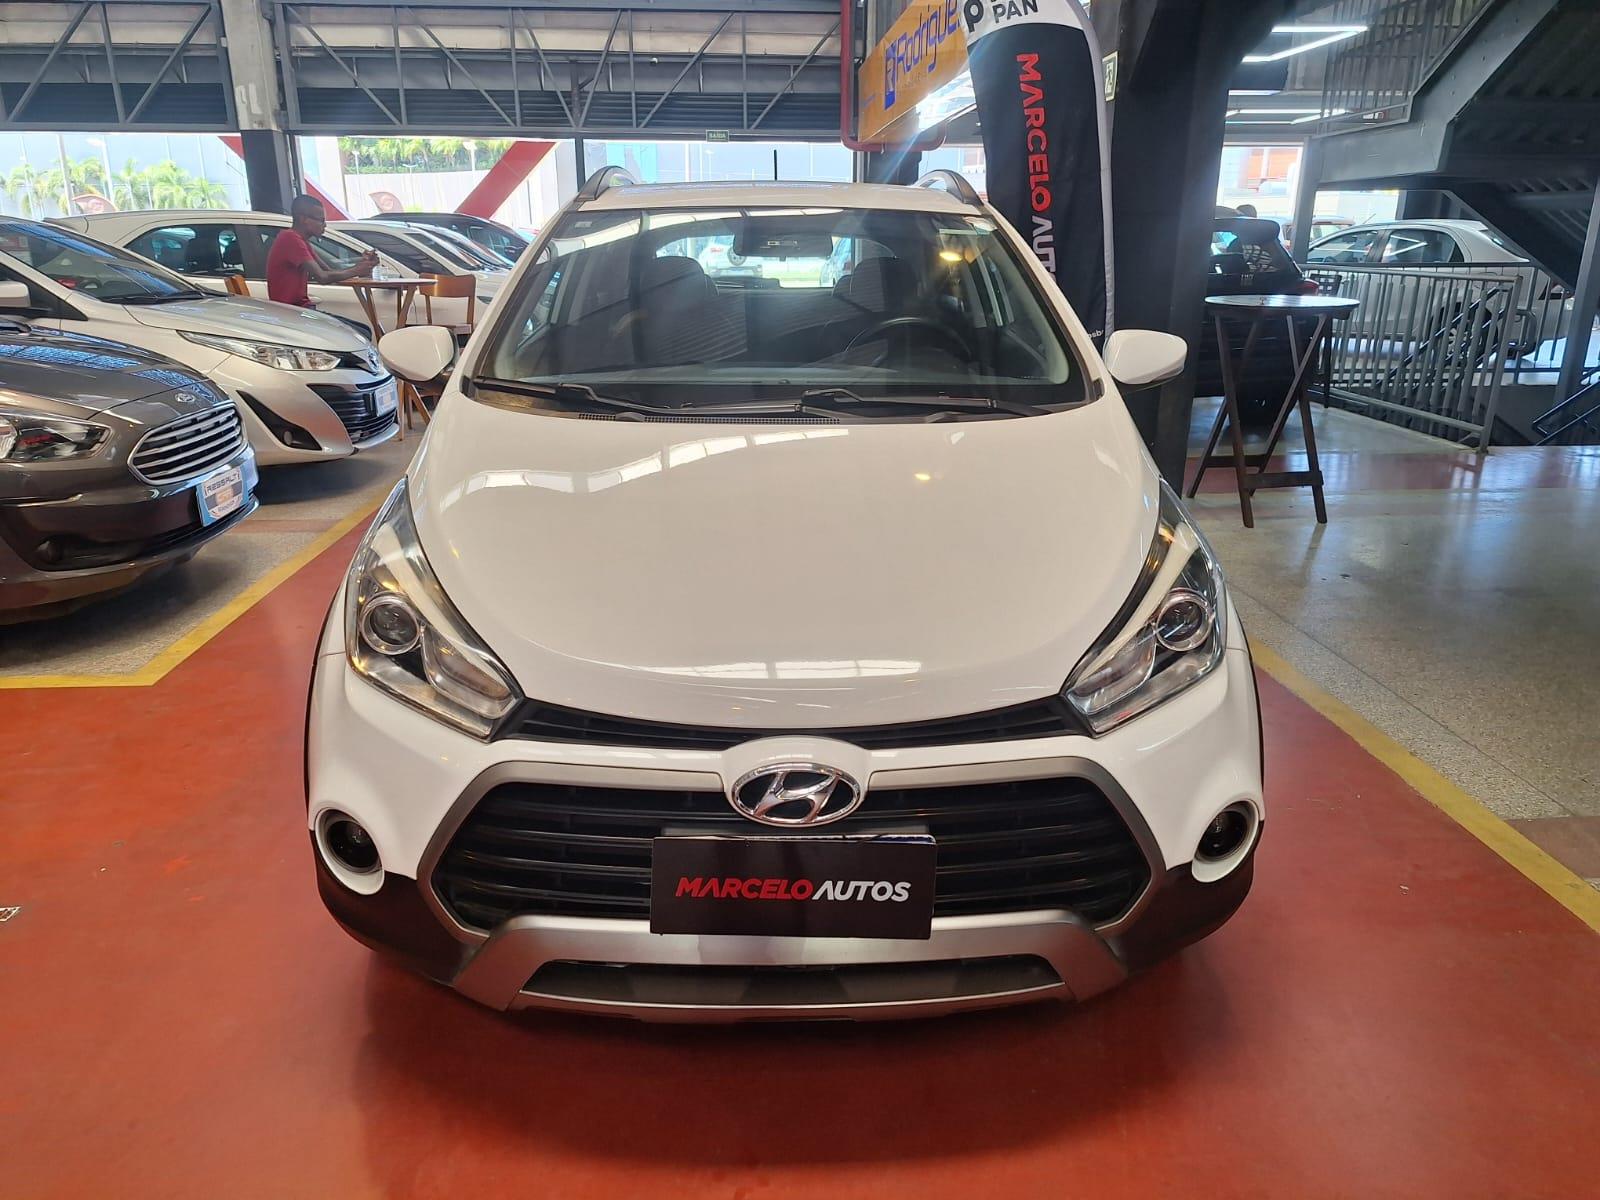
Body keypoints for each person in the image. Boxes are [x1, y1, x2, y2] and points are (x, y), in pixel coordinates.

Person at [266, 194, 377, 308]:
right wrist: (357, 270)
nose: (324, 225)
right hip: (291, 312)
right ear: (304, 219)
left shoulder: (301, 241)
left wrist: (362, 265)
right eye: (321, 220)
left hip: (299, 309)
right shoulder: (290, 239)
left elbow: (329, 271)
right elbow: (322, 277)